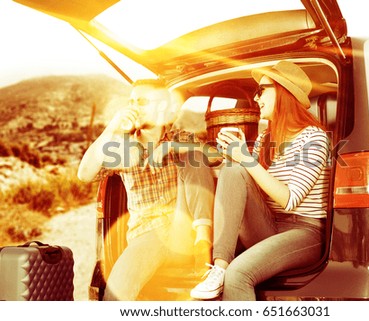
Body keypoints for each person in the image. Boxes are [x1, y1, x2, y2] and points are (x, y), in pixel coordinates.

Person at [190, 61, 331, 301]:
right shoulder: (267, 137)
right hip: (268, 224)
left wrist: (245, 157)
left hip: (304, 230)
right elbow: (248, 184)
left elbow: (289, 199)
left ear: (284, 92)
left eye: (262, 90)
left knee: (239, 274)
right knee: (234, 169)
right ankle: (219, 266)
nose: (256, 98)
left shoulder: (315, 139)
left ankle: (227, 271)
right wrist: (234, 155)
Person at [77, 79, 215, 300]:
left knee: (193, 155)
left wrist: (171, 147)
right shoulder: (122, 147)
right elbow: (84, 174)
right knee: (116, 294)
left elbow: (215, 157)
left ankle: (204, 245)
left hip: (184, 231)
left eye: (141, 101)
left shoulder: (179, 137)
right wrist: (112, 127)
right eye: (130, 102)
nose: (133, 107)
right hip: (148, 236)